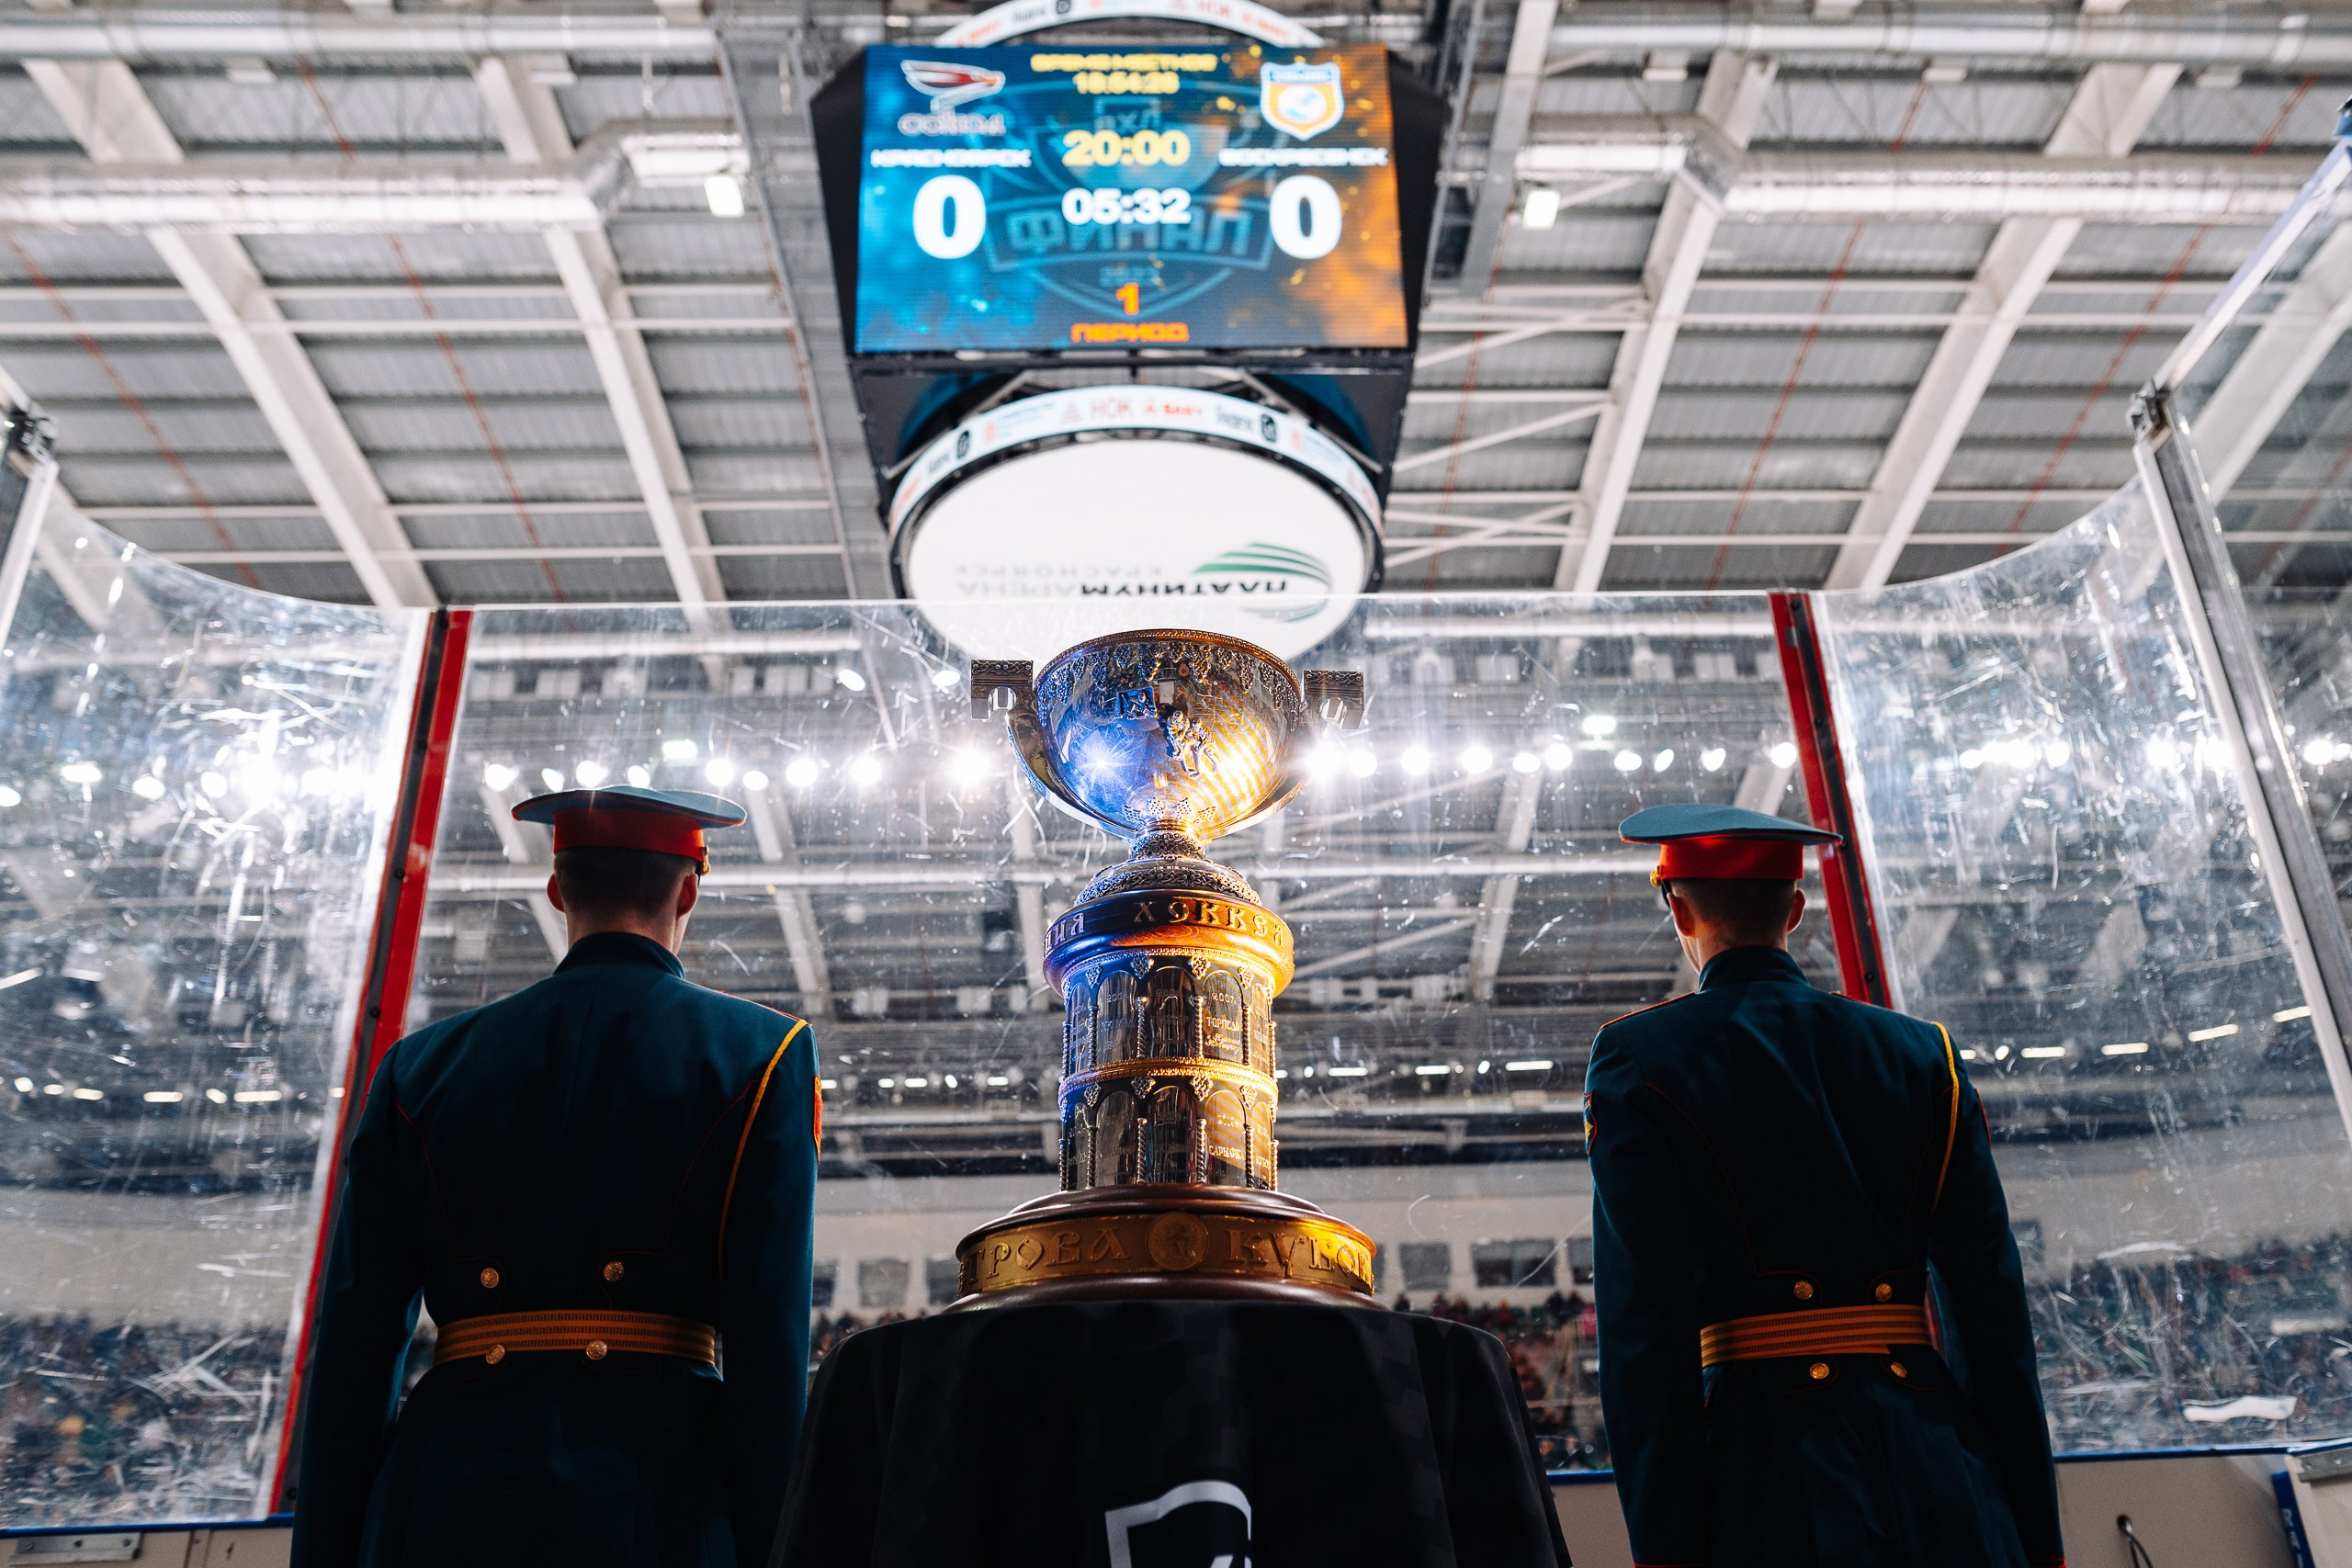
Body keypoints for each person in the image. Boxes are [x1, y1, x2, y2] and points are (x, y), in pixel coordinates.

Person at [290, 785, 820, 1568]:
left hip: (442, 1501)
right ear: (688, 890)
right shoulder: (763, 1054)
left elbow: (354, 1349)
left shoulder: (415, 1069)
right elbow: (768, 1346)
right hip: (655, 1496)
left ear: (556, 889)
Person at [1584, 803, 2062, 1568]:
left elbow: (1645, 1338)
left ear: (1678, 907)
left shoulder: (1639, 1059)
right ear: (1796, 910)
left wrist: (1667, 1549)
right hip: (1945, 1479)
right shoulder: (1925, 1055)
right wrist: (2038, 1537)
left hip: (1771, 1482)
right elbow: (1995, 1321)